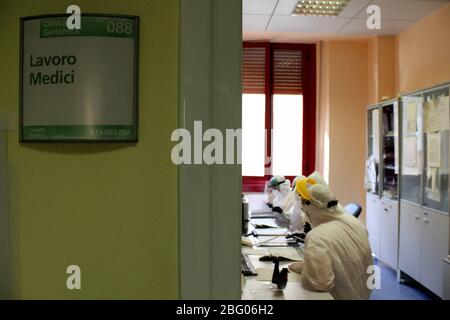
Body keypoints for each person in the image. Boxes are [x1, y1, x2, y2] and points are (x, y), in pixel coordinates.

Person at [288, 172, 373, 300]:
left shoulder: (317, 237)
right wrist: (307, 266)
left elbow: (320, 283)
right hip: (363, 295)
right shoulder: (354, 222)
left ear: (309, 207)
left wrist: (306, 270)